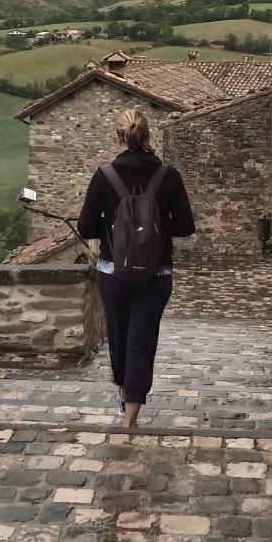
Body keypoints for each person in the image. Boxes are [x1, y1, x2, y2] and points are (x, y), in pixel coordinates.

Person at [77, 107, 195, 428]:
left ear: (118, 138)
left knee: (118, 336)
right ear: (149, 136)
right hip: (157, 273)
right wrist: (155, 228)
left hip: (113, 272)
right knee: (142, 340)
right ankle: (131, 416)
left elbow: (86, 227)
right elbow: (186, 226)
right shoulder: (169, 176)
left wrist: (114, 227)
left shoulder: (104, 176)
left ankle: (123, 388)